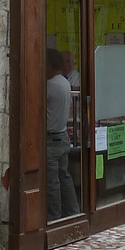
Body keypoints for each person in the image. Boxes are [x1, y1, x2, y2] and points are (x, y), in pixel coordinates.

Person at [46, 48, 80, 220]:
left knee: (52, 183)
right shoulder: (65, 83)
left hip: (51, 139)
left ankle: (54, 218)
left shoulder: (49, 86)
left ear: (50, 64)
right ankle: (73, 211)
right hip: (62, 136)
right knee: (65, 178)